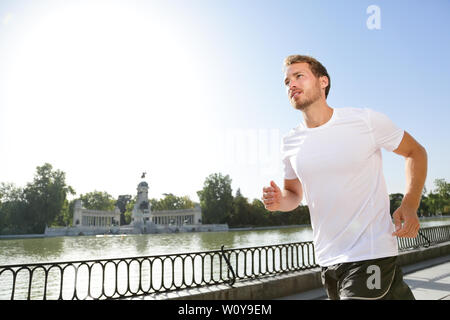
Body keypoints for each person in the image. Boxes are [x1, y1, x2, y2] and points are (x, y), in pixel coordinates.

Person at [262, 55, 428, 300]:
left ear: (323, 82)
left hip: (370, 254)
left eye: (299, 76)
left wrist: (410, 204)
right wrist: (279, 201)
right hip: (329, 261)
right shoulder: (290, 142)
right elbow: (294, 195)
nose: (291, 85)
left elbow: (416, 152)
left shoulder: (365, 121)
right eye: (286, 81)